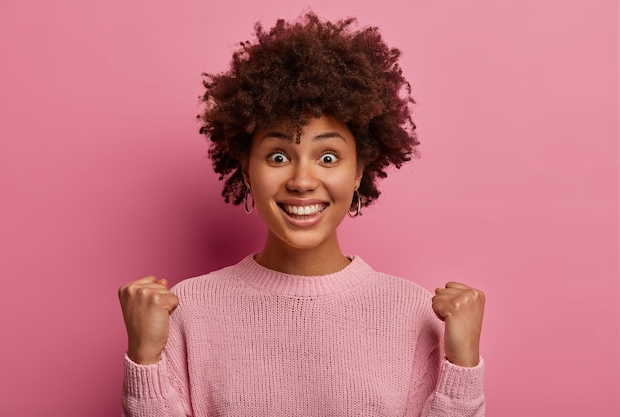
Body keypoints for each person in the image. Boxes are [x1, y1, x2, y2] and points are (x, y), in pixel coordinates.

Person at [118, 12, 486, 417]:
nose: (302, 180)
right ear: (246, 169)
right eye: (278, 156)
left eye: (328, 157)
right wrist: (145, 360)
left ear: (359, 170)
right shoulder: (186, 310)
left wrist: (463, 365)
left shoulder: (414, 313)